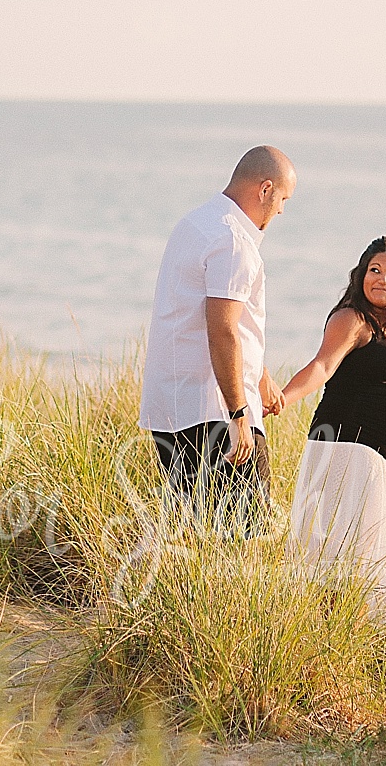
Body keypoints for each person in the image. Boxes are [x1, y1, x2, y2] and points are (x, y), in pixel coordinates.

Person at [139, 146, 295, 536]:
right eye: (283, 200)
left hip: (174, 407)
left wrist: (260, 376)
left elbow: (208, 320)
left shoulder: (195, 224)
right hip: (215, 412)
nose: (281, 212)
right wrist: (239, 413)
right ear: (265, 189)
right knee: (245, 536)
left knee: (194, 533)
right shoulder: (233, 240)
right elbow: (222, 329)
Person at [271, 235, 386, 613]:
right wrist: (282, 399)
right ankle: (322, 633)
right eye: (375, 270)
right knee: (337, 554)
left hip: (367, 451)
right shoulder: (351, 319)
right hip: (342, 446)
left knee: (362, 552)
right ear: (360, 274)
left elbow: (376, 386)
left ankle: (352, 634)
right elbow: (322, 366)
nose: (382, 280)